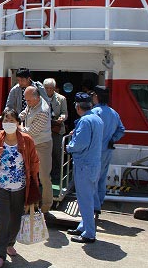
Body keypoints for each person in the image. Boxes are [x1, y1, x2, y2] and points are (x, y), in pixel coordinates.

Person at [0, 108, 40, 268]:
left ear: (18, 123)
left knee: (16, 220)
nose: (8, 123)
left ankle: (10, 243)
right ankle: (0, 254)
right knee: (2, 220)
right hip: (0, 187)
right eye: (5, 120)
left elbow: (34, 162)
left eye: (11, 120)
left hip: (20, 187)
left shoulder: (27, 140)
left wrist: (35, 182)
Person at [65, 92, 103, 243]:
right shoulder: (97, 119)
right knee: (88, 198)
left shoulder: (85, 121)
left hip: (84, 166)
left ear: (78, 106)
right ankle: (83, 226)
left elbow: (80, 144)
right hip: (93, 164)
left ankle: (89, 233)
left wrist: (68, 147)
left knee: (84, 199)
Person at [91, 85, 125, 217]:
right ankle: (99, 203)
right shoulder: (114, 113)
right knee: (102, 179)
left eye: (93, 95)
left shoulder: (95, 112)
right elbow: (121, 130)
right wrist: (113, 139)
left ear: (97, 96)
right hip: (107, 150)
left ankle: (94, 206)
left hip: (94, 152)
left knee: (92, 179)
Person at [20, 86, 54, 213]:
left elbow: (31, 132)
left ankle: (46, 206)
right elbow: (25, 111)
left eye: (28, 100)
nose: (27, 102)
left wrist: (17, 126)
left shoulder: (43, 111)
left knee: (44, 176)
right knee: (29, 173)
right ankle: (30, 203)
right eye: (26, 100)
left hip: (42, 145)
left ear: (37, 98)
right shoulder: (32, 102)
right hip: (31, 144)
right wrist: (16, 118)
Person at [43, 78, 68, 182]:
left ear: (54, 88)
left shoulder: (61, 99)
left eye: (51, 88)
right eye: (47, 88)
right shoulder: (39, 98)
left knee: (57, 153)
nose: (49, 90)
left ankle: (57, 174)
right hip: (43, 130)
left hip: (56, 129)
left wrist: (62, 118)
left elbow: (64, 112)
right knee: (44, 153)